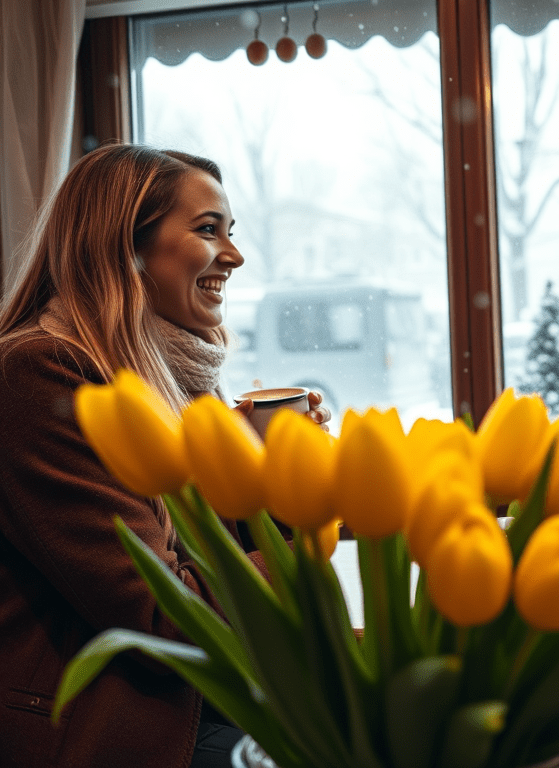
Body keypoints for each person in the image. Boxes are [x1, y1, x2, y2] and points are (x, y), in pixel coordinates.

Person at [0, 144, 328, 768]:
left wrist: (275, 477)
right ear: (125, 245)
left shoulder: (175, 374)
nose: (233, 256)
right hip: (122, 723)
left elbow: (224, 555)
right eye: (209, 231)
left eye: (231, 233)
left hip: (209, 694)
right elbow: (160, 612)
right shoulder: (41, 371)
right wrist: (302, 546)